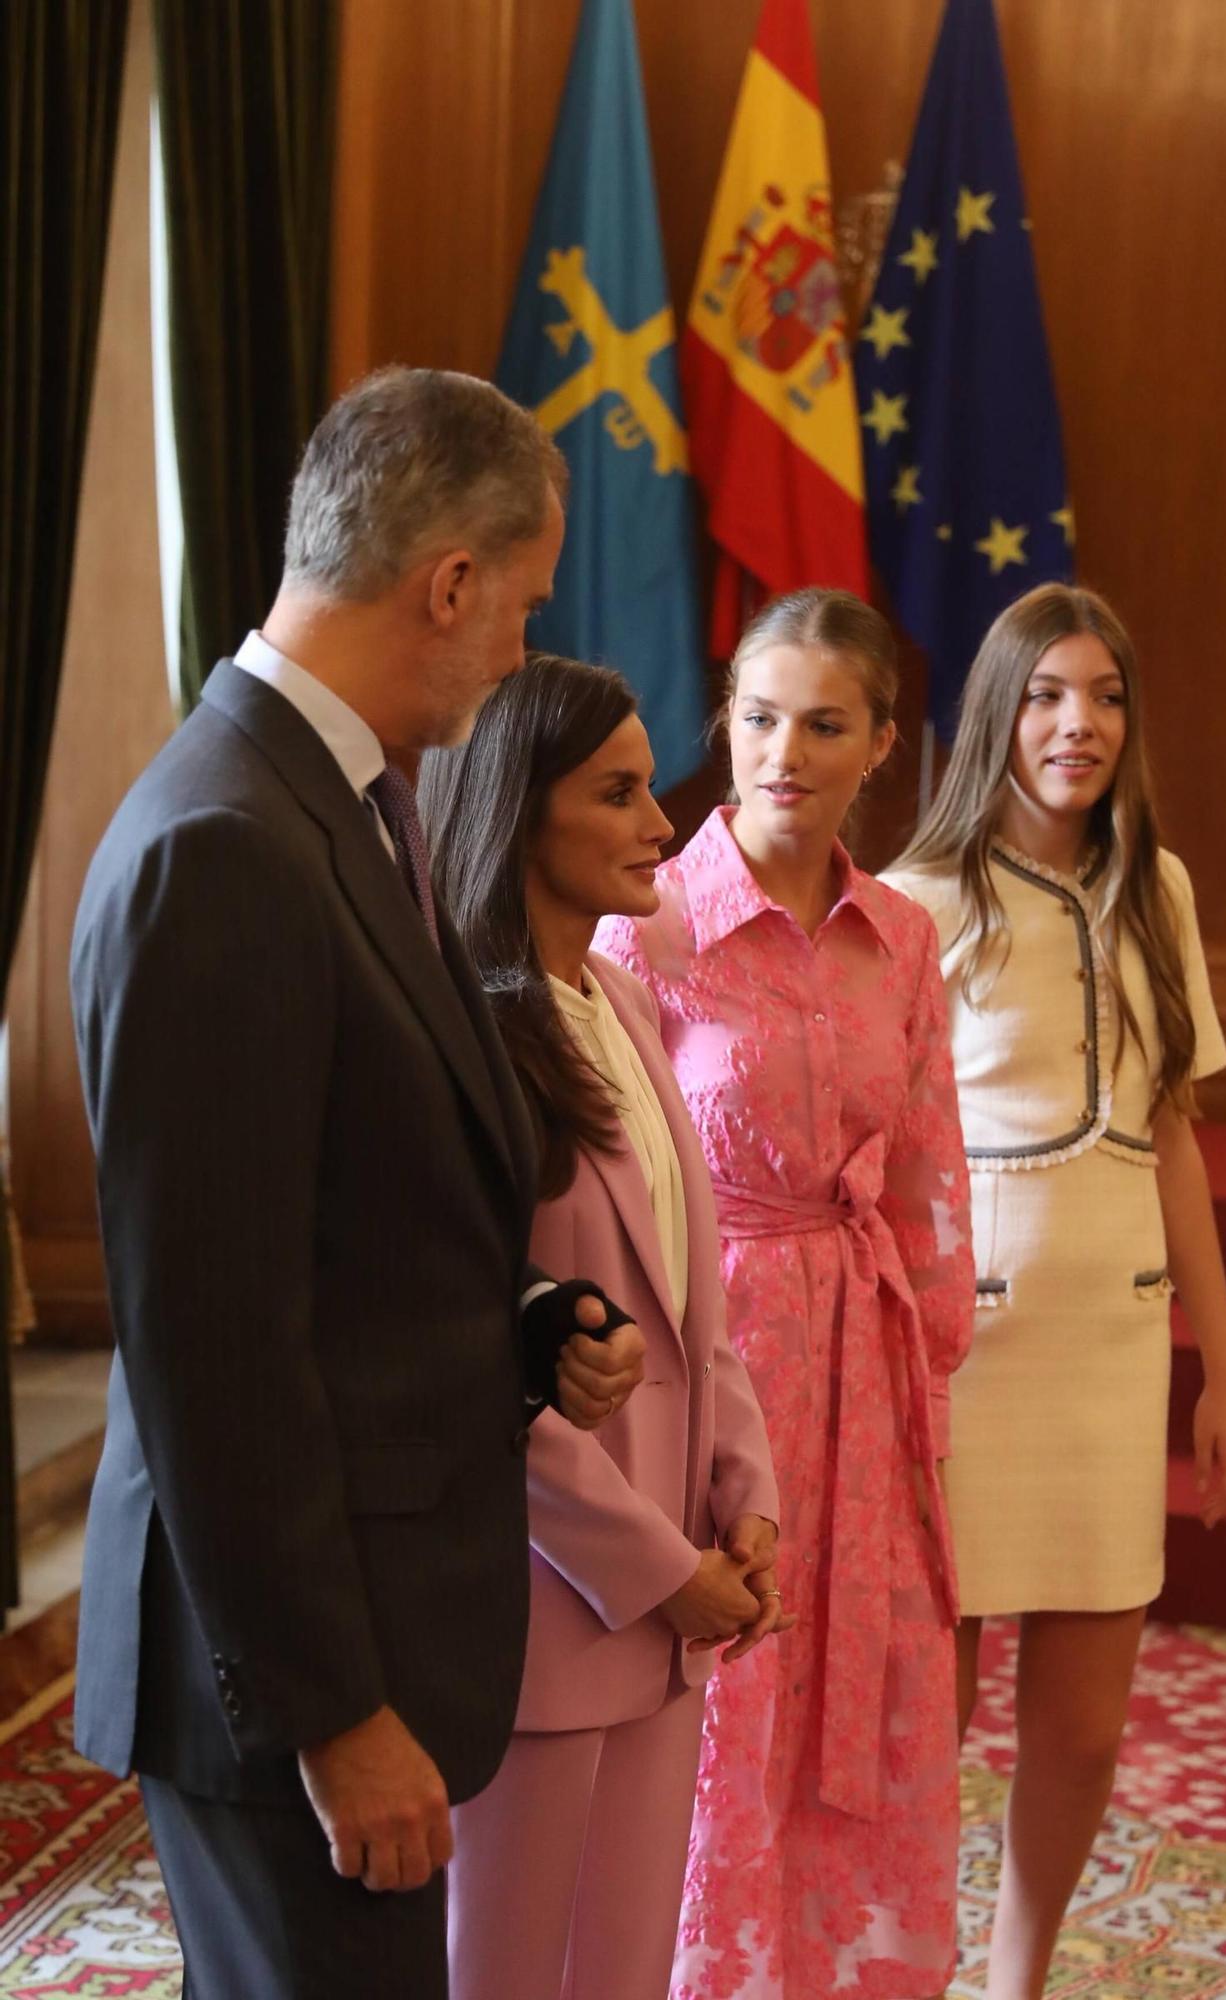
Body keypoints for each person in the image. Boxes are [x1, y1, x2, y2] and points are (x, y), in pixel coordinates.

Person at [69, 367, 647, 2000]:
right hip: (290, 1682)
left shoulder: (344, 802)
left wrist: (532, 1323)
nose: (524, 647)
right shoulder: (226, 845)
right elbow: (214, 1346)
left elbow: (343, 1223)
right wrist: (336, 1718)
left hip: (357, 1620)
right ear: (448, 584)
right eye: (523, 608)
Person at [597, 588, 975, 2000]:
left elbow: (933, 1175)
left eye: (825, 724)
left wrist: (927, 1388)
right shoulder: (651, 925)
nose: (785, 753)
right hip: (706, 1347)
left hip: (864, 1370)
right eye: (760, 719)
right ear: (726, 725)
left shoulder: (905, 939)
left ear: (880, 742)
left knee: (856, 1691)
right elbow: (615, 1185)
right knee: (721, 1695)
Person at [884, 582, 1226, 2000]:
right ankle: (903, 1960)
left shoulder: (1158, 889)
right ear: (999, 714)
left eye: (1102, 696)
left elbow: (1173, 1130)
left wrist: (1221, 1362)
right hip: (965, 1353)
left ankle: (1012, 1978)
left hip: (1114, 1350)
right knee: (941, 1718)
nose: (1077, 723)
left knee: (1088, 1730)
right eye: (1046, 694)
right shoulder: (919, 902)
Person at [417, 654, 786, 2000]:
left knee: (622, 1975)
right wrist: (655, 1566)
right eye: (619, 794)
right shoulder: (468, 1040)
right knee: (503, 1977)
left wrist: (745, 1505)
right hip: (538, 1615)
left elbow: (698, 1306)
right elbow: (470, 1365)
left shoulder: (620, 1000)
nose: (665, 825)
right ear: (520, 810)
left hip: (665, 1609)